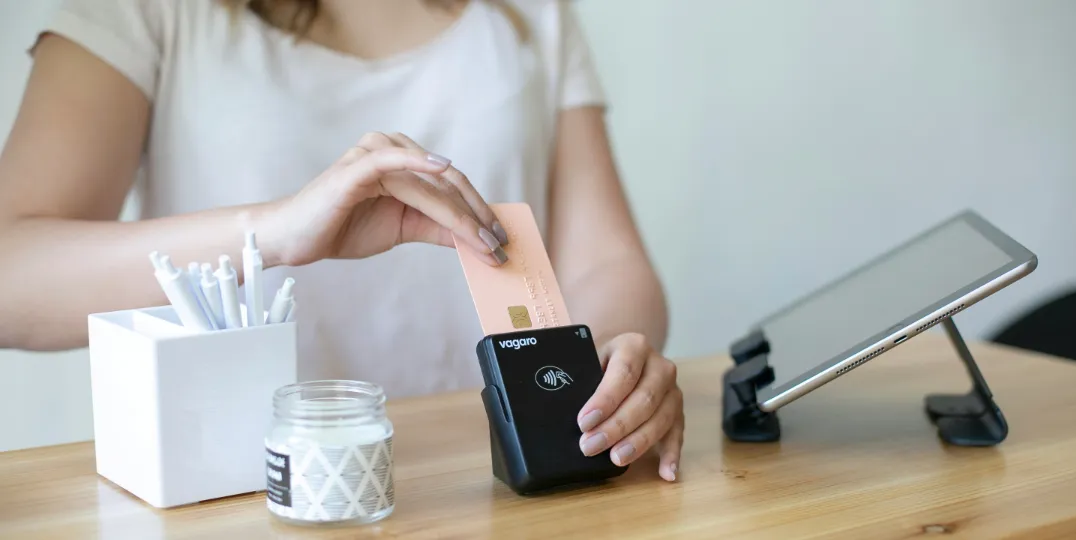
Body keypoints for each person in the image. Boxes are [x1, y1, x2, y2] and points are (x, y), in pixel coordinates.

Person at [0, 0, 682, 480]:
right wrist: (279, 230)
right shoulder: (148, 11)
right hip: (236, 488)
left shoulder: (531, 14)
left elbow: (607, 261)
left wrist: (608, 371)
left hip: (488, 483)